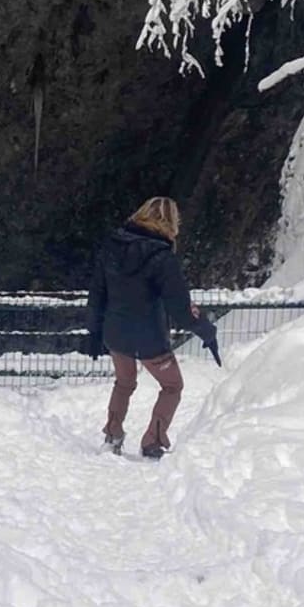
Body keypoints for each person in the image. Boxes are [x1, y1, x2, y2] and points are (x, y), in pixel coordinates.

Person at [83, 196, 219, 460]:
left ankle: (113, 435)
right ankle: (153, 441)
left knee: (124, 382)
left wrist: (94, 332)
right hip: (149, 338)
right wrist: (206, 330)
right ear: (171, 222)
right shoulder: (162, 258)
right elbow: (181, 310)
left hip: (115, 333)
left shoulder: (112, 247)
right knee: (172, 386)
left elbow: (98, 293)